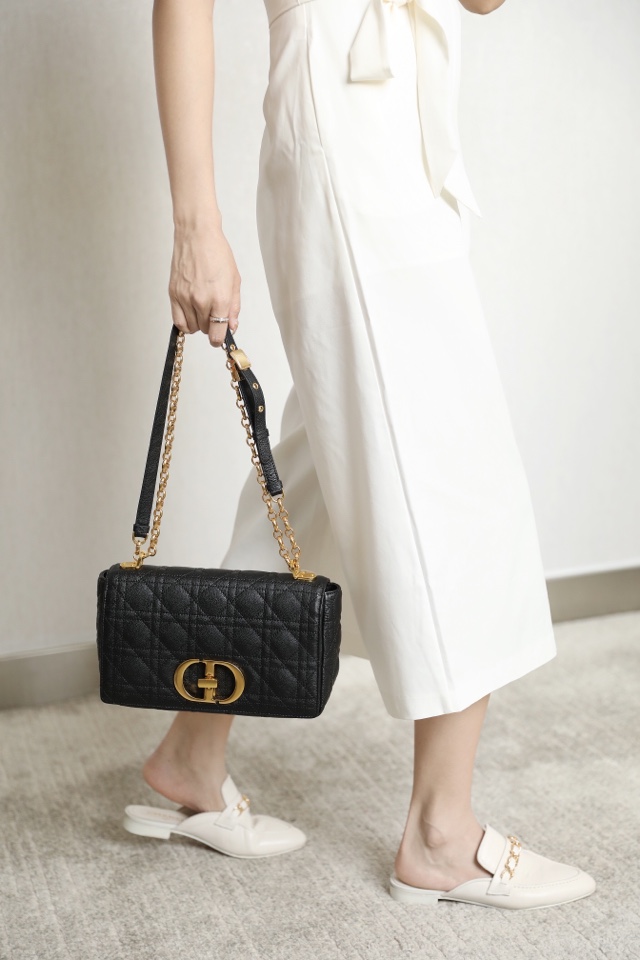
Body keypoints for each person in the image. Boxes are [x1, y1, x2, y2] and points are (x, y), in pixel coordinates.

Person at [123, 0, 596, 909]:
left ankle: (193, 750)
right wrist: (194, 224)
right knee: (450, 471)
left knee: (318, 479)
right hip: (340, 131)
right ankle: (440, 835)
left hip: (400, 134)